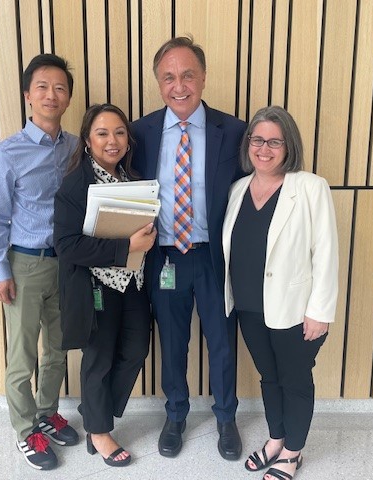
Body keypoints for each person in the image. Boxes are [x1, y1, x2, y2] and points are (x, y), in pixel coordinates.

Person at [131, 36, 247, 460]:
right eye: (168, 77)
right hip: (164, 256)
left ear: (203, 77)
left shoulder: (232, 130)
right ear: (158, 83)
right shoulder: (140, 132)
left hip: (213, 257)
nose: (179, 86)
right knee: (172, 341)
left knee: (221, 341)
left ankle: (225, 418)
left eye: (187, 75)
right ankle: (175, 414)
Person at [222, 106, 338, 480]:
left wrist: (319, 311)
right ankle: (276, 438)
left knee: (295, 378)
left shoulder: (309, 187)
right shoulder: (238, 189)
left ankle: (293, 452)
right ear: (248, 144)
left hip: (295, 309)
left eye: (275, 141)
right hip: (250, 306)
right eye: (258, 140)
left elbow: (326, 252)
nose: (265, 149)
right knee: (268, 377)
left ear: (289, 146)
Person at [0, 53, 79, 471]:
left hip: (67, 263)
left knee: (57, 348)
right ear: (27, 95)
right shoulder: (6, 154)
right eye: (42, 87)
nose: (51, 95)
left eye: (59, 87)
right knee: (23, 356)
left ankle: (47, 412)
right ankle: (25, 431)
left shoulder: (75, 146)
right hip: (25, 263)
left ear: (68, 97)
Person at [55, 103, 156, 467]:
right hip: (96, 286)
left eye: (119, 132)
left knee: (135, 351)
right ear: (87, 140)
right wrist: (126, 246)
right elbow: (66, 246)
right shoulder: (76, 184)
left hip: (133, 283)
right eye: (102, 133)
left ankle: (95, 411)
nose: (112, 141)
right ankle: (98, 431)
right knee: (98, 359)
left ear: (128, 140)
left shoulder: (134, 180)